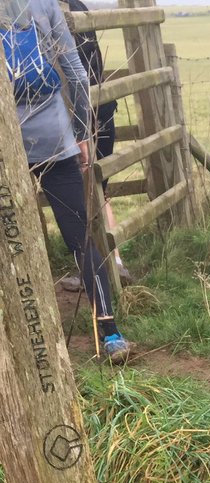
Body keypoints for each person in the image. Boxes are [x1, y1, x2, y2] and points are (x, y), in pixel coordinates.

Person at [1, 0, 131, 363]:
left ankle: (18, 336)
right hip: (55, 139)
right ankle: (110, 332)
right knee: (79, 236)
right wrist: (81, 133)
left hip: (7, 143)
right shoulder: (44, 5)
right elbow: (75, 73)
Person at [60, 0, 131, 286]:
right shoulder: (78, 6)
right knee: (99, 188)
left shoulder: (52, 11)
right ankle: (115, 263)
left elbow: (72, 74)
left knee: (81, 190)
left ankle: (94, 271)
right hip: (101, 105)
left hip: (78, 111)